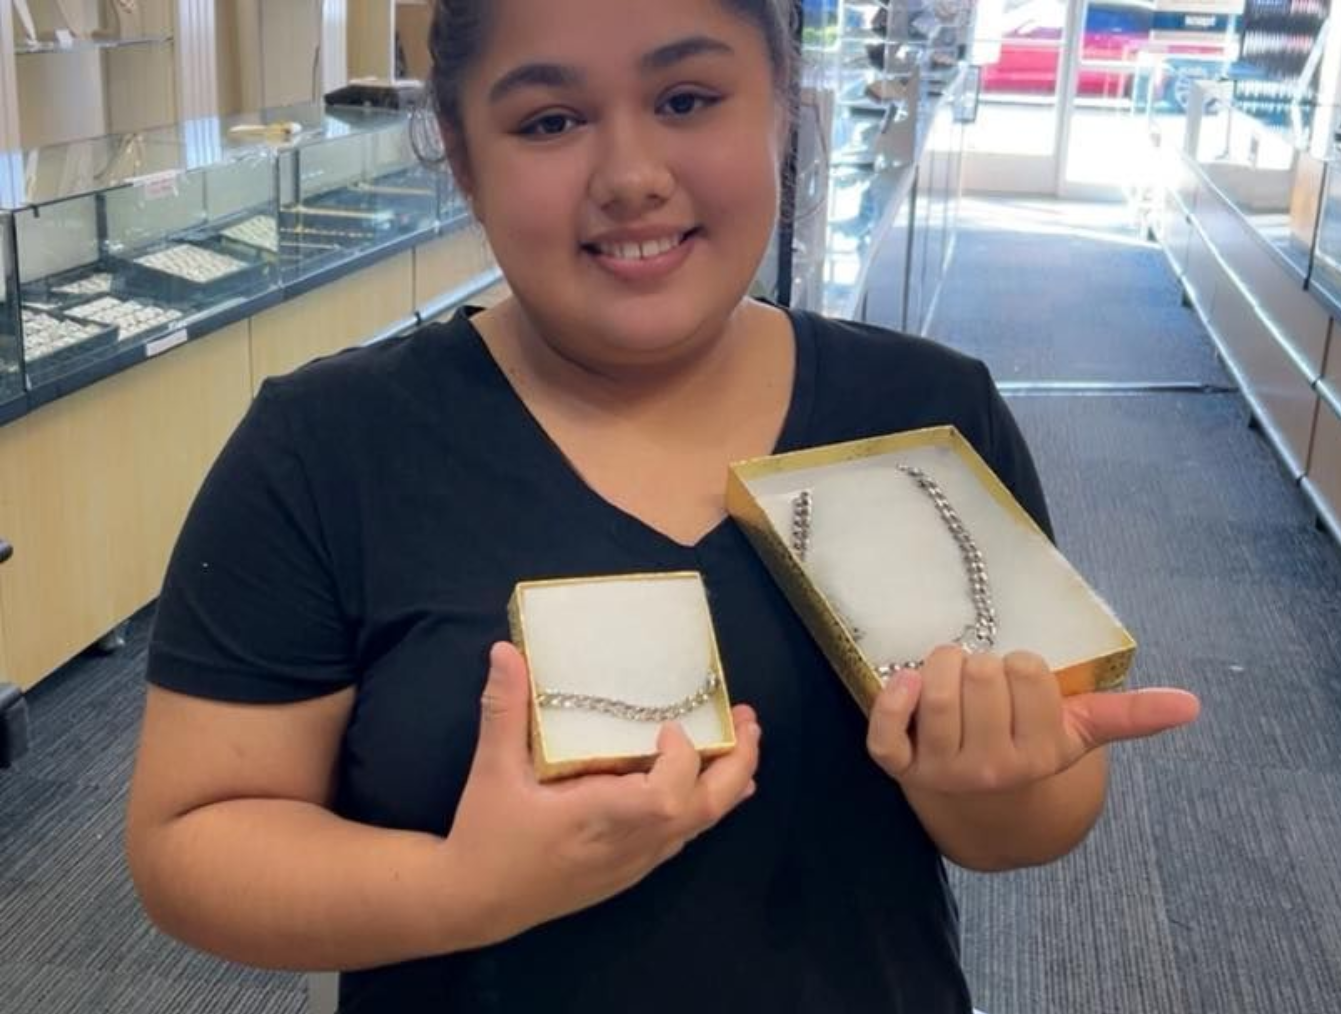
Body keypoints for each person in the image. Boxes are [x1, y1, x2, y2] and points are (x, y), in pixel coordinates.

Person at [125, 1, 1201, 1011]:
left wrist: (985, 782)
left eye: (687, 99)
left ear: (781, 103)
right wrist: (462, 889)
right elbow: (191, 843)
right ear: (462, 157)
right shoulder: (327, 448)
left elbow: (1042, 811)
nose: (632, 176)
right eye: (549, 121)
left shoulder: (926, 412)